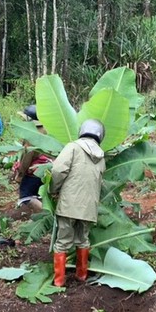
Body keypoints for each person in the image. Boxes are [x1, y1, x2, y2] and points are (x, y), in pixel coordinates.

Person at [49, 119, 106, 287]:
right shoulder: (101, 156)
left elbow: (58, 170)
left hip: (69, 204)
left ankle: (59, 281)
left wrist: (53, 189)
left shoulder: (73, 147)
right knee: (83, 239)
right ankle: (82, 276)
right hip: (89, 207)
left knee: (63, 241)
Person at [13, 147, 52, 212]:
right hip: (46, 169)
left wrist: (20, 175)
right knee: (40, 196)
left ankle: (48, 214)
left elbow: (26, 161)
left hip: (34, 173)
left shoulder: (31, 144)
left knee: (26, 198)